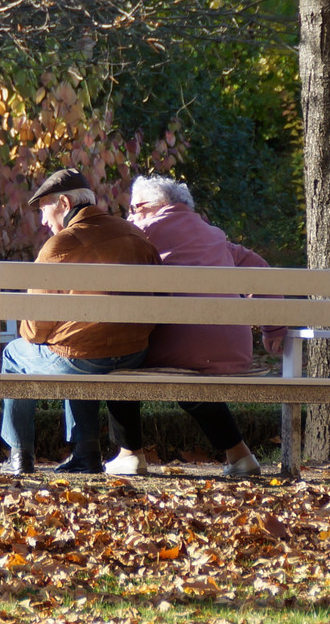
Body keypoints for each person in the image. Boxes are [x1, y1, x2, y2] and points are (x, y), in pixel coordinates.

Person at [100, 175, 279, 478]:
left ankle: (130, 453)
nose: (129, 216)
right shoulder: (215, 235)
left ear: (150, 206)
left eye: (133, 208)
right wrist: (273, 330)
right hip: (229, 347)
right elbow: (262, 270)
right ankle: (240, 455)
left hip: (178, 346)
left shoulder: (140, 233)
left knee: (121, 355)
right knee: (190, 377)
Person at [0, 167, 160, 475]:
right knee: (77, 343)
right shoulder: (135, 234)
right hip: (134, 352)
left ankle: (19, 454)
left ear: (65, 205)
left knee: (16, 355)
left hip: (84, 358)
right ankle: (85, 454)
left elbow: (33, 328)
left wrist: (46, 335)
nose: (43, 221)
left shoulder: (61, 245)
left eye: (45, 210)